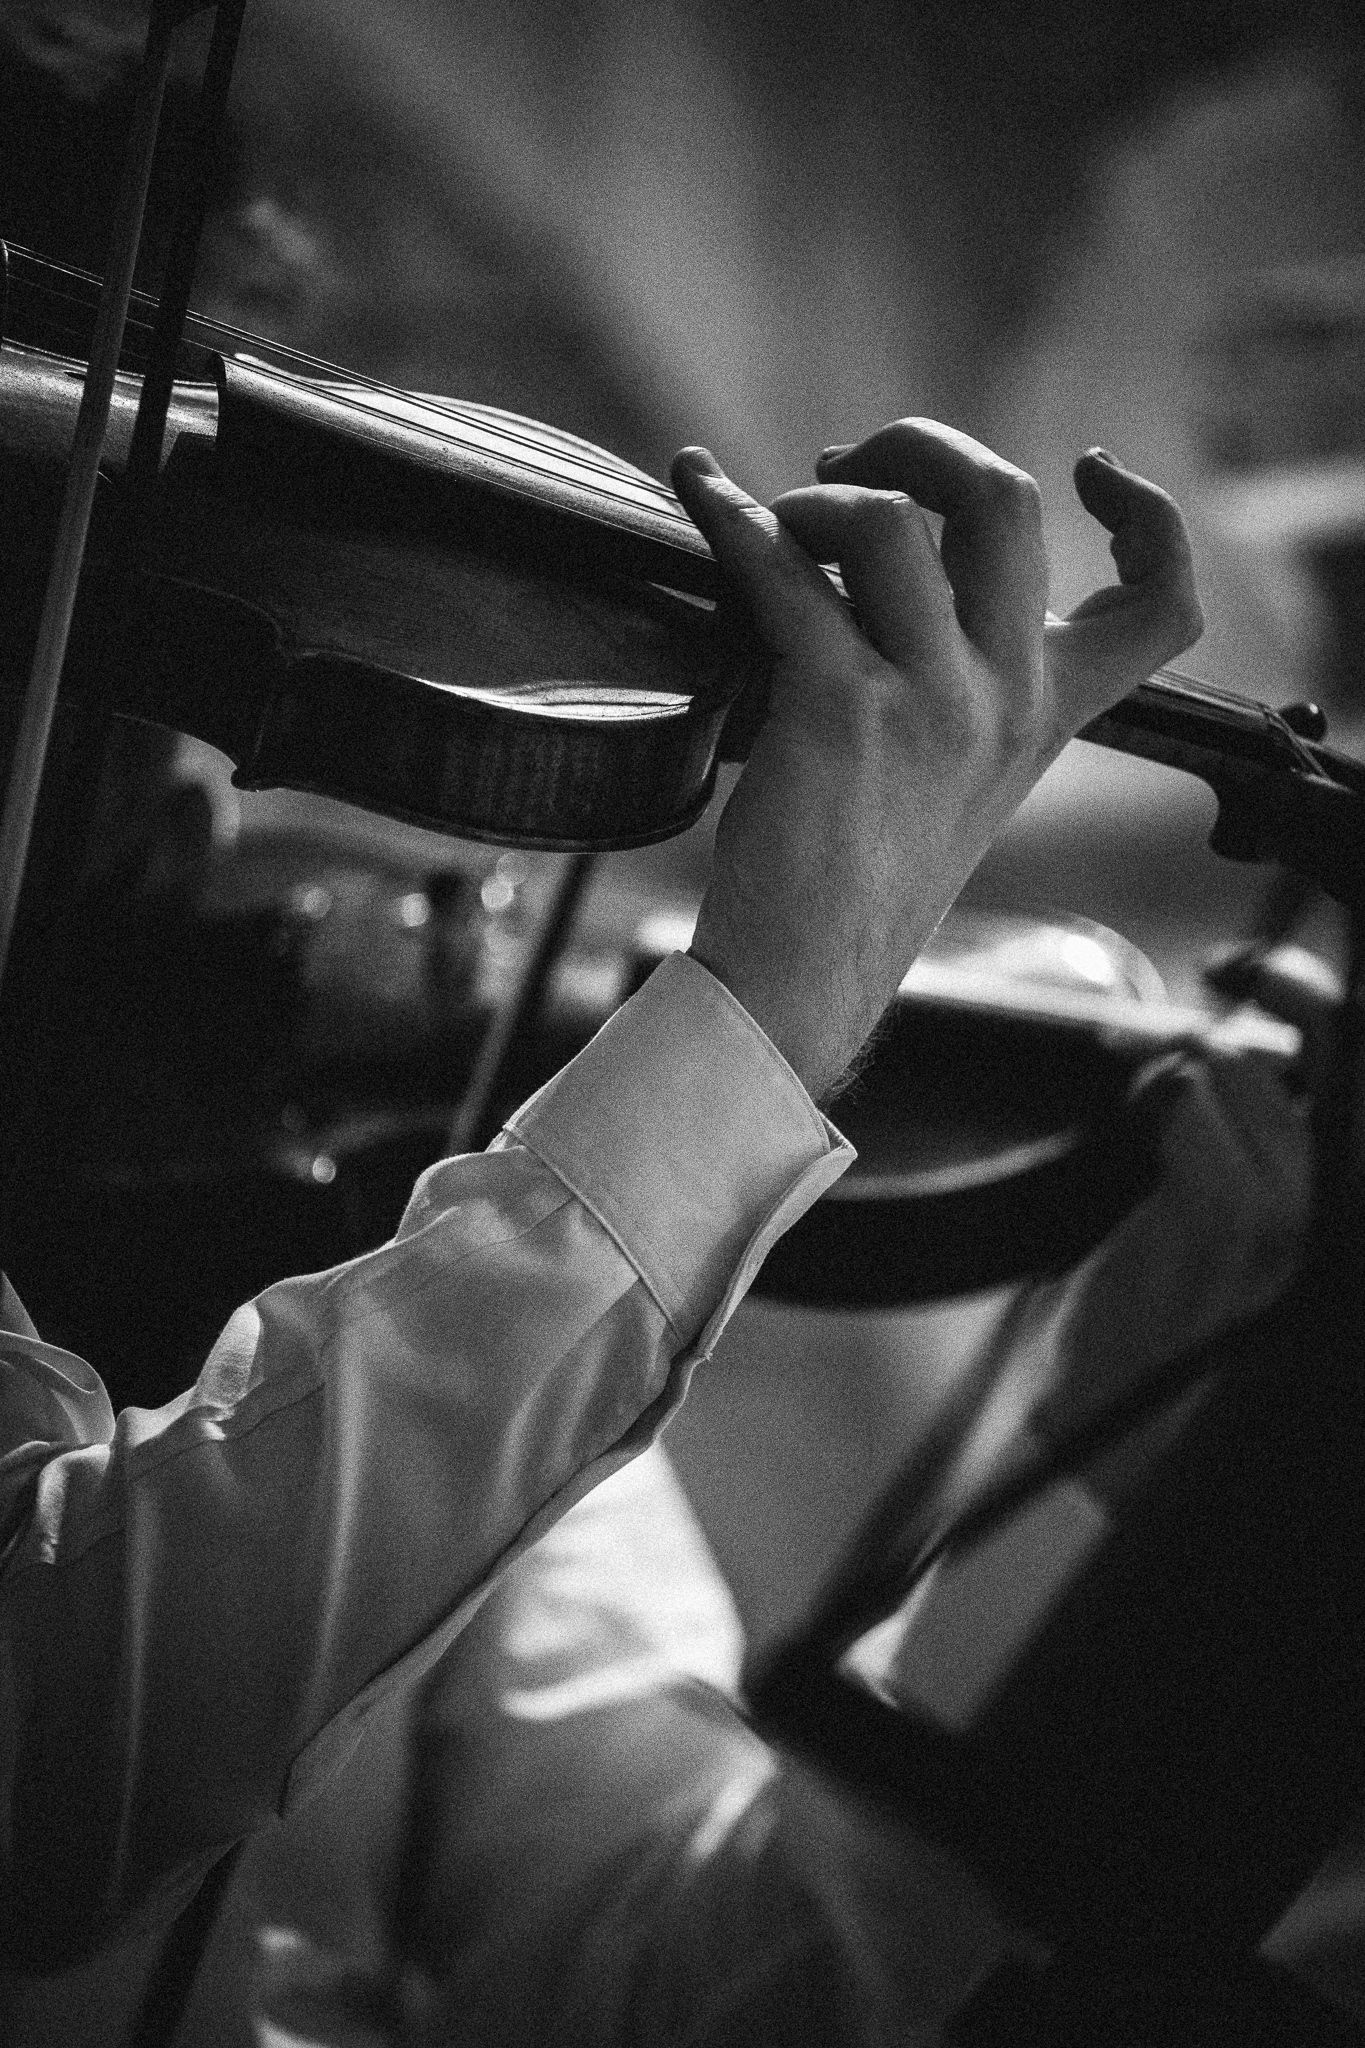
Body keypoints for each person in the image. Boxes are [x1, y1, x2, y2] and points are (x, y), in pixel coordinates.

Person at [1, 422, 1204, 2030]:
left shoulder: (438, 1285)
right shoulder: (495, 1310)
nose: (207, 827)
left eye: (190, 712)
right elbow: (44, 1773)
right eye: (90, 681)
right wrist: (775, 995)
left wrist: (1094, 1464)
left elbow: (705, 1994)